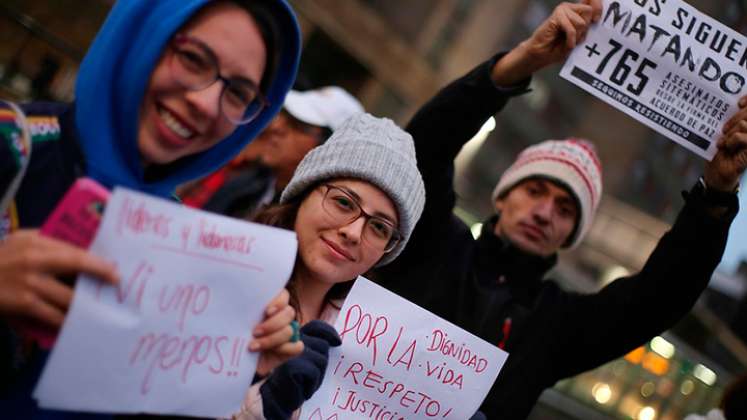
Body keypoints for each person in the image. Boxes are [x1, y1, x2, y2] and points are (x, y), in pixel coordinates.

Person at [371, 0, 747, 418]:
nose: (545, 212)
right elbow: (426, 147)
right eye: (534, 190)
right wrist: (521, 61)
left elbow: (658, 299)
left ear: (571, 235)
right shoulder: (433, 243)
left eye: (565, 209)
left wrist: (715, 192)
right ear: (503, 196)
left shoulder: (556, 327)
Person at [0, 0, 305, 418]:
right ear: (142, 36)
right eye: (194, 59)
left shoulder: (182, 243)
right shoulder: (12, 145)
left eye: (237, 93)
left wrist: (240, 359)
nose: (207, 102)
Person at [232, 112, 426, 419]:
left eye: (379, 227)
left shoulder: (371, 346)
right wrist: (262, 405)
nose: (353, 232)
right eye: (344, 203)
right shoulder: (224, 274)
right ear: (304, 192)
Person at [180, 86, 363, 218]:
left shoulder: (298, 224)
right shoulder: (250, 180)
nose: (276, 126)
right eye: (283, 115)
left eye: (298, 125)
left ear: (327, 150)